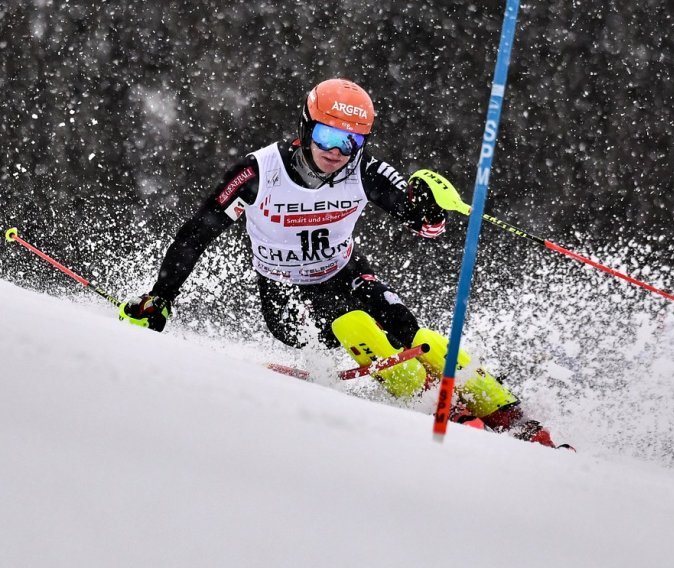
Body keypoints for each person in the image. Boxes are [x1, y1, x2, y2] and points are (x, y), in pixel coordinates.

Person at [120, 78, 567, 449]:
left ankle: (510, 414)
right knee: (356, 325)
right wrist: (161, 297)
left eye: (351, 141)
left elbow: (417, 216)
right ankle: (434, 404)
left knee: (414, 333)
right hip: (286, 293)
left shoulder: (363, 169)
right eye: (327, 137)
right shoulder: (259, 173)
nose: (337, 152)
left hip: (346, 271)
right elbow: (198, 231)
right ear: (306, 127)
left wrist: (429, 209)